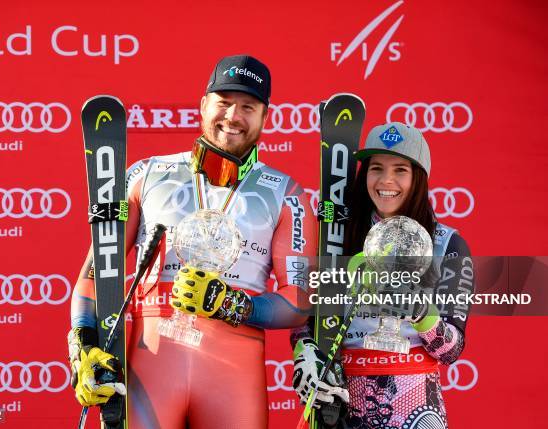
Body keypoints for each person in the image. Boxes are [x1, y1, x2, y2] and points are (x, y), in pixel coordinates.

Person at [67, 55, 317, 429]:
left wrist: (235, 305)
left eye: (248, 107)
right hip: (151, 360)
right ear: (203, 105)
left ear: (265, 117)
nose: (233, 116)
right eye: (223, 102)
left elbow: (299, 300)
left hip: (233, 371)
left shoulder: (288, 194)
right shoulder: (146, 173)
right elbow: (95, 272)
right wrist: (84, 343)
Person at [291, 122, 475, 429]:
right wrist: (305, 351)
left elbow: (452, 349)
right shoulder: (337, 238)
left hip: (414, 407)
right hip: (341, 400)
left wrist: (420, 312)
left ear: (418, 178)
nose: (386, 180)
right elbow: (307, 323)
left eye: (400, 170)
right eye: (377, 168)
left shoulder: (446, 243)